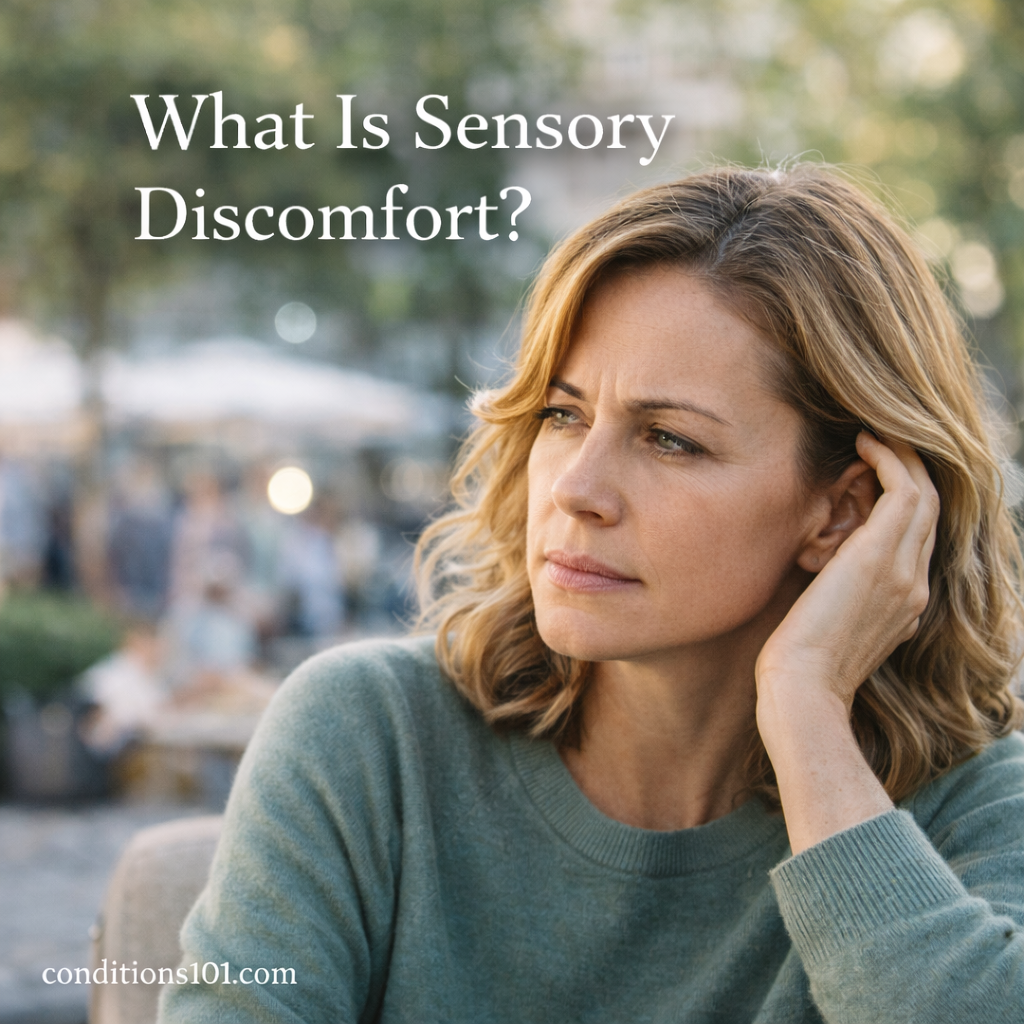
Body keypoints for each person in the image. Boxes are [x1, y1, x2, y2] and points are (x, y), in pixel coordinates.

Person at [159, 165, 1024, 1023]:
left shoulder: (974, 809)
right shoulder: (367, 740)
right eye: (562, 415)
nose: (576, 487)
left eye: (669, 439)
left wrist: (806, 713)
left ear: (844, 512)